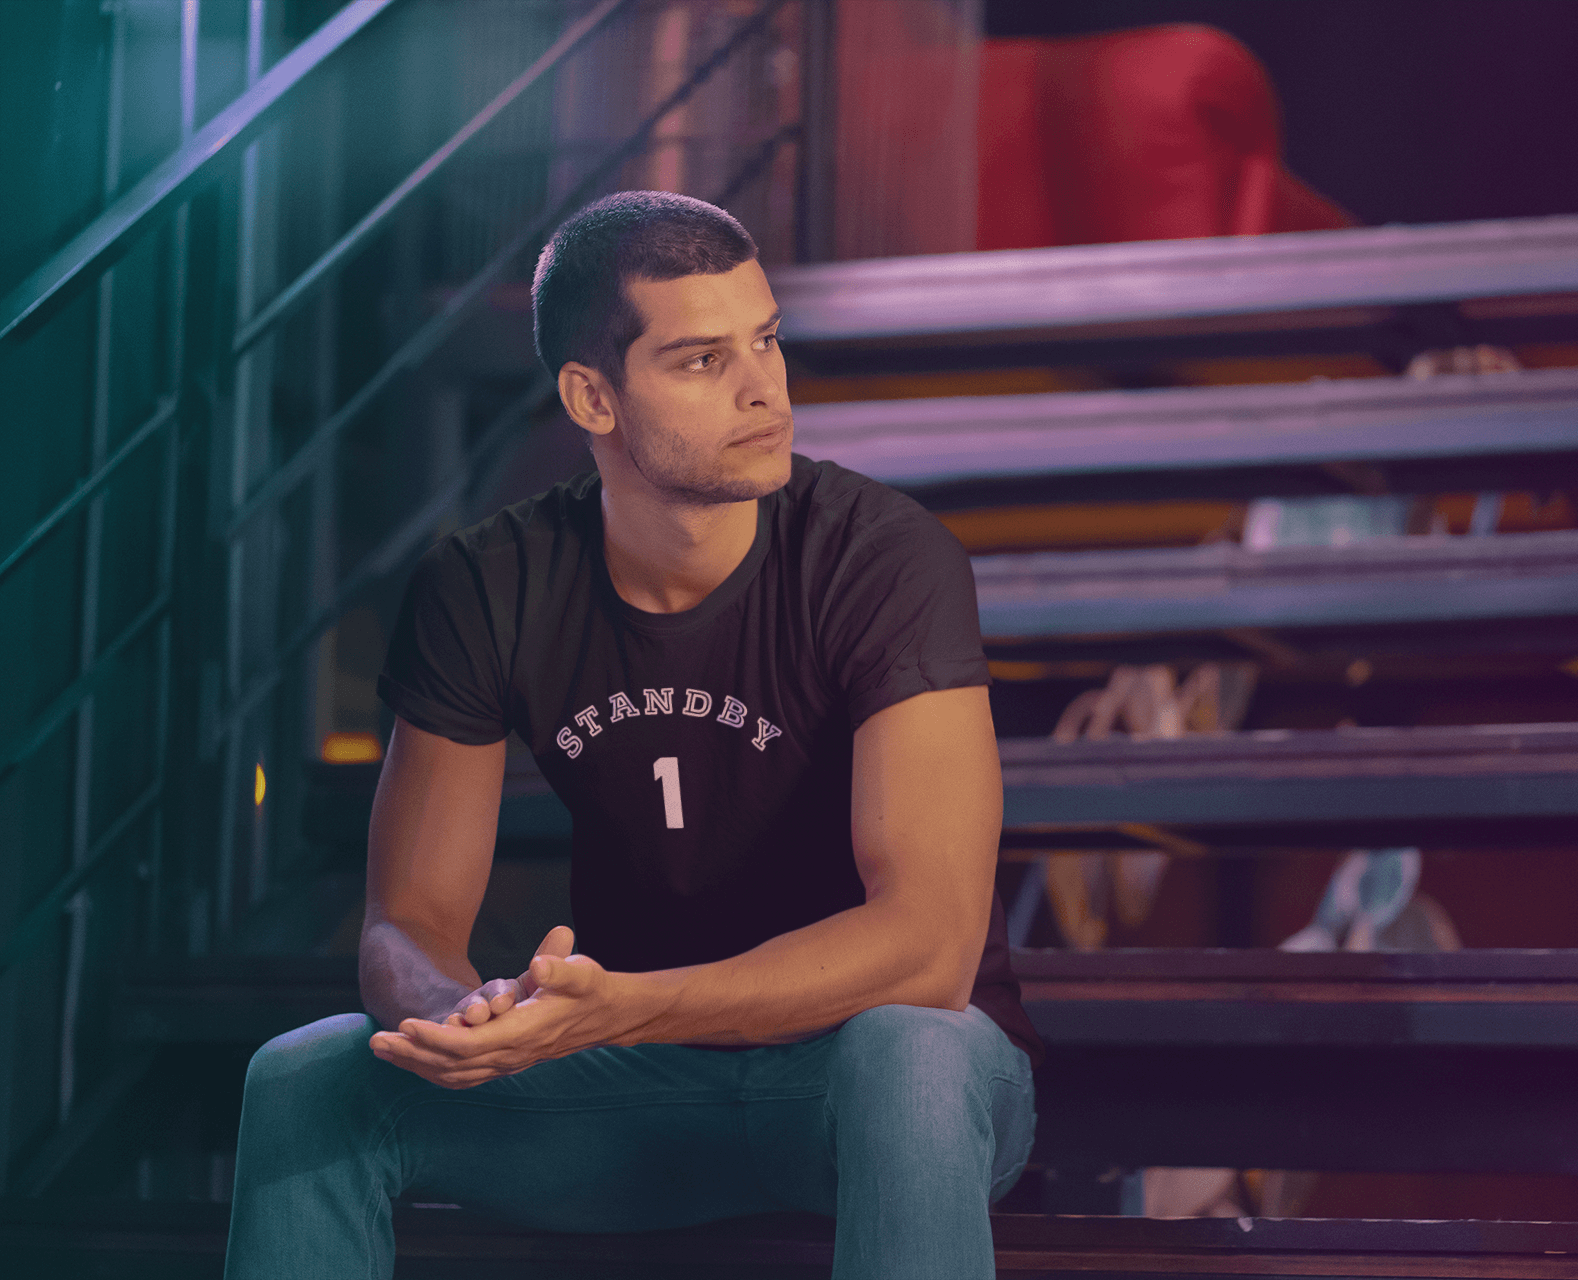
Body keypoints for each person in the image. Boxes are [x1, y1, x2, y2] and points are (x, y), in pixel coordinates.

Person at [223, 191, 1041, 1280]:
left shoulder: (881, 558)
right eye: (702, 360)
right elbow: (406, 919)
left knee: (910, 1051)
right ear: (592, 397)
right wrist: (466, 1015)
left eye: (766, 339)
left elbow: (930, 946)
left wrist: (638, 1003)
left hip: (874, 1092)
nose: (764, 388)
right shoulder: (488, 584)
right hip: (639, 1088)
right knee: (306, 1076)